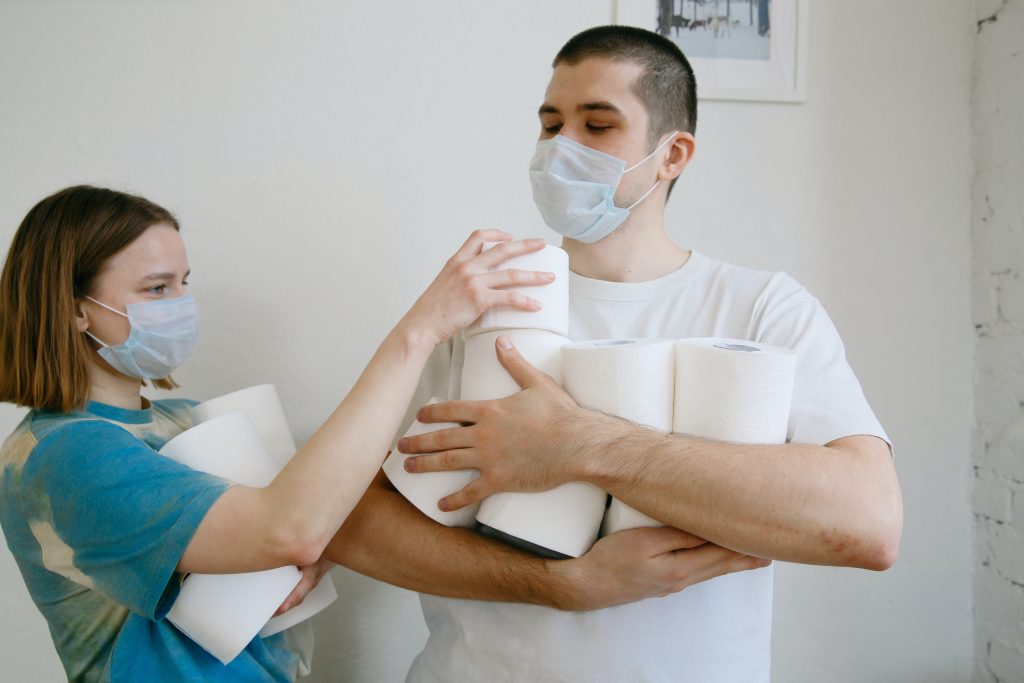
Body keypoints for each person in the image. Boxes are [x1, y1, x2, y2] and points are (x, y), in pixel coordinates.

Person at [330, 25, 903, 682]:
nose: (560, 148)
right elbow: (348, 517)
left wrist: (584, 444)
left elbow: (870, 523)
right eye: (550, 125)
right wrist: (562, 583)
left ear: (672, 154)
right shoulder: (483, 302)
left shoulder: (761, 309)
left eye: (597, 126)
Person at [0, 185, 571, 681]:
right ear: (76, 310)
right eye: (156, 289)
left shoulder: (183, 419)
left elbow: (321, 510)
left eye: (183, 283)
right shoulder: (65, 456)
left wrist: (318, 547)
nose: (181, 304)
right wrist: (419, 331)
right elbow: (290, 528)